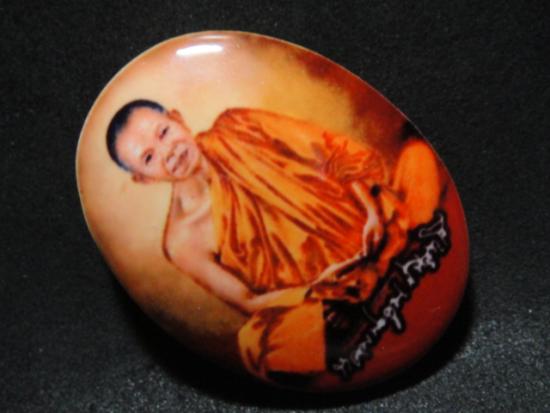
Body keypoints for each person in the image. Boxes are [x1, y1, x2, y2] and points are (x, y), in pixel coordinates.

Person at [106, 99, 441, 381]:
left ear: (178, 119)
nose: (169, 151)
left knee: (417, 157)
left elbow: (329, 151)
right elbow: (248, 301)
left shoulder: (237, 125)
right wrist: (316, 290)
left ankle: (378, 278)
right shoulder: (181, 242)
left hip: (368, 230)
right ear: (143, 179)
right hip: (319, 297)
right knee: (255, 347)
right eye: (149, 157)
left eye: (164, 132)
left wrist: (370, 212)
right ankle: (354, 304)